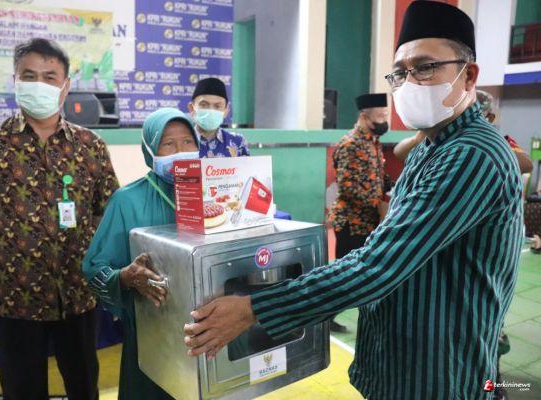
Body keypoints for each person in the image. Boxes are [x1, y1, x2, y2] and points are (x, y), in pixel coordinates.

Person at [182, 3, 523, 399]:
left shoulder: (472, 154)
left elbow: (378, 266)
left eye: (426, 67)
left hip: (437, 374)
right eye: (400, 73)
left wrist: (252, 308)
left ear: (469, 75)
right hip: (397, 363)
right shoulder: (432, 147)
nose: (409, 83)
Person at [0, 38, 119, 400]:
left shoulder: (90, 146)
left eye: (49, 77)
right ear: (15, 80)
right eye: (29, 76)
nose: (39, 84)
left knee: (84, 387)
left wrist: (113, 282)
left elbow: (108, 219)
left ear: (65, 86)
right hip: (15, 300)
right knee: (22, 390)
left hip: (78, 295)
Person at [82, 108, 200, 399]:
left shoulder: (215, 193)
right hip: (152, 335)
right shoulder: (127, 201)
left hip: (208, 332)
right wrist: (125, 277)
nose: (180, 151)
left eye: (188, 142)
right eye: (168, 143)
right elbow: (94, 268)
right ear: (150, 150)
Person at [327, 93, 391, 333]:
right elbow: (347, 187)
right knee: (344, 275)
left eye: (386, 115)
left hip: (368, 223)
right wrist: (378, 204)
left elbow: (377, 177)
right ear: (364, 117)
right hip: (351, 223)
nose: (384, 120)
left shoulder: (373, 142)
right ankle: (321, 318)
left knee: (363, 274)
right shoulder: (350, 144)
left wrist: (393, 188)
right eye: (380, 116)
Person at [394, 91, 533, 174]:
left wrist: (486, 154)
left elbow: (527, 164)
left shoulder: (499, 142)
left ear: (490, 117)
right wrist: (420, 137)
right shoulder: (444, 139)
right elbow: (400, 152)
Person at [188, 77, 250, 158]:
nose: (211, 110)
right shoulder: (182, 142)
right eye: (204, 105)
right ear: (191, 109)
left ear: (226, 111)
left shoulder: (237, 141)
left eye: (217, 106)